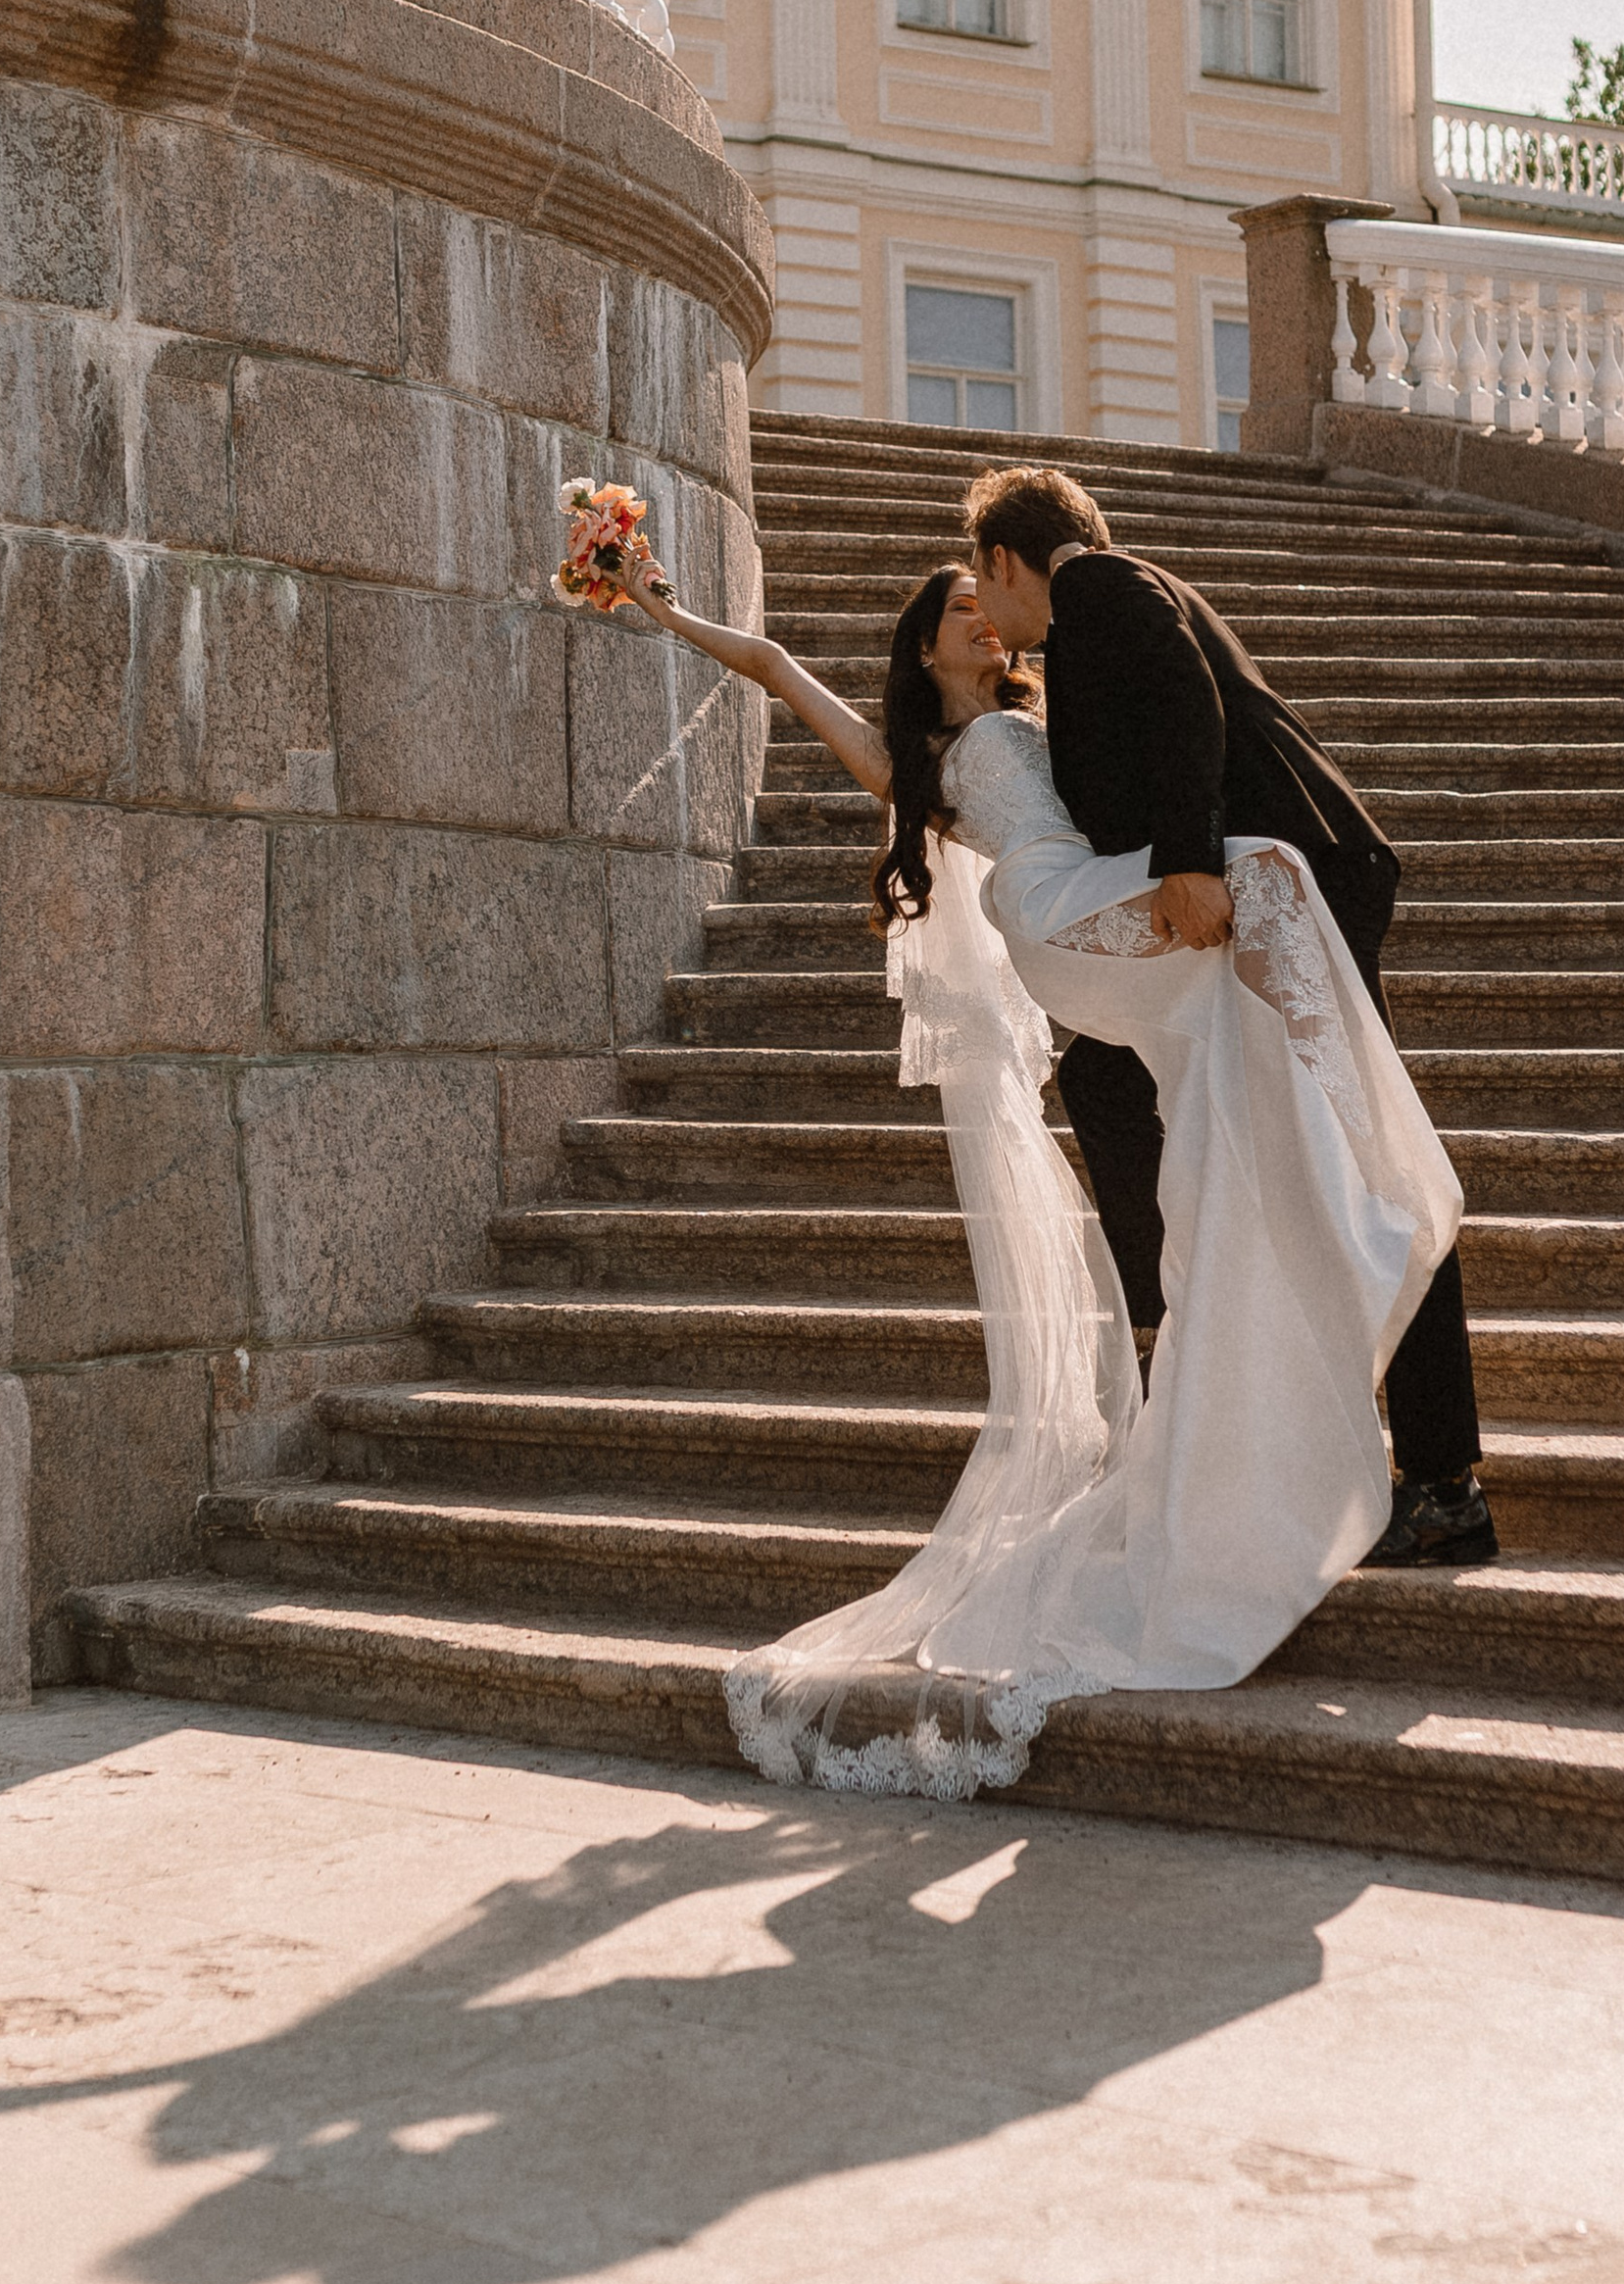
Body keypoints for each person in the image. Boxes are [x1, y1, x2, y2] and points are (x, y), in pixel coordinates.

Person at [604, 546, 1465, 1796]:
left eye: (982, 603)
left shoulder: (1050, 715)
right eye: (959, 612)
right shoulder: (922, 761)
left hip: (1106, 896)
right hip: (1054, 918)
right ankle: (1353, 1144)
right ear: (924, 647)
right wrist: (661, 604)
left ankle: (1321, 1166)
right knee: (1269, 879)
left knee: (1266, 891)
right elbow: (777, 667)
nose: (983, 624)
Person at [960, 462, 1497, 1570]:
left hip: (1292, 892)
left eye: (982, 584)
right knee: (1105, 1077)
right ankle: (1192, 1350)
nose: (989, 618)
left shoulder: (1098, 582)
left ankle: (1445, 1483)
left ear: (1007, 558)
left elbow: (1183, 698)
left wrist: (1190, 860)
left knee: (1370, 1166)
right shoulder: (1095, 612)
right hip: (1276, 899)